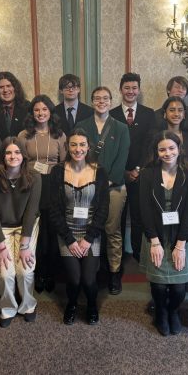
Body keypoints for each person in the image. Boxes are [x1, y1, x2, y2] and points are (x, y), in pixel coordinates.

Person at [139, 131, 188, 336]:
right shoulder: (147, 174)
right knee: (158, 286)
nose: (167, 153)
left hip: (179, 236)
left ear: (179, 149)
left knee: (178, 289)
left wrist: (181, 245)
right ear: (156, 152)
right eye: (162, 149)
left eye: (171, 148)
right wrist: (154, 242)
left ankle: (173, 310)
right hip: (155, 234)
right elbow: (144, 210)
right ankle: (161, 312)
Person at [49, 129, 109, 325]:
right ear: (68, 147)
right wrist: (70, 239)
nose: (78, 149)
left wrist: (88, 239)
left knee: (89, 280)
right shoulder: (57, 171)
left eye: (82, 144)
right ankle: (72, 304)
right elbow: (54, 210)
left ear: (88, 147)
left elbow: (103, 211)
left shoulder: (99, 171)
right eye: (73, 144)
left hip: (92, 234)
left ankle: (92, 305)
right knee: (74, 279)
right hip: (67, 233)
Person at [0, 137, 42, 327]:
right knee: (5, 272)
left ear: (24, 155)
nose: (13, 156)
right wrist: (0, 245)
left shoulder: (34, 176)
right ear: (2, 155)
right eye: (8, 152)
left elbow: (31, 212)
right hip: (1, 228)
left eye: (17, 152)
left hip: (26, 227)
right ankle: (7, 308)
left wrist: (25, 245)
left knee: (25, 270)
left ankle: (28, 305)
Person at [76, 86, 130, 294]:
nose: (101, 101)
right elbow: (79, 155)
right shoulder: (81, 126)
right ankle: (92, 272)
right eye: (97, 98)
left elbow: (122, 159)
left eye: (105, 98)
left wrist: (106, 182)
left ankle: (115, 272)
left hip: (114, 187)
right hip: (87, 185)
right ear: (91, 101)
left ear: (111, 101)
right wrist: (91, 182)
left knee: (113, 230)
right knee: (89, 228)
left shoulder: (121, 127)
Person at [17, 94, 66, 293]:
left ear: (50, 112)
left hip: (53, 187)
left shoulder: (60, 135)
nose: (40, 113)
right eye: (37, 110)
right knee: (35, 232)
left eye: (44, 109)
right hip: (31, 187)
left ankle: (51, 273)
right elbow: (18, 162)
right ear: (32, 113)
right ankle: (37, 274)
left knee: (52, 232)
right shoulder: (23, 135)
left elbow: (64, 164)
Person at [110, 72, 156, 263]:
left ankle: (138, 254)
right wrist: (123, 172)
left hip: (141, 174)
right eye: (127, 88)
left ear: (139, 90)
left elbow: (150, 145)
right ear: (121, 89)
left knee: (139, 217)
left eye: (134, 88)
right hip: (117, 176)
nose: (130, 91)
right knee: (117, 219)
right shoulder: (111, 114)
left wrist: (137, 169)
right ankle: (117, 258)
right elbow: (110, 149)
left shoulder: (149, 113)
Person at [159, 96, 188, 173]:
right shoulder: (156, 136)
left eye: (180, 110)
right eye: (172, 110)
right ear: (165, 113)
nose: (176, 114)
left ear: (184, 114)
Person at [0, 71, 31, 140]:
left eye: (9, 86)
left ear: (15, 88)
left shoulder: (27, 107)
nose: (5, 90)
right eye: (1, 87)